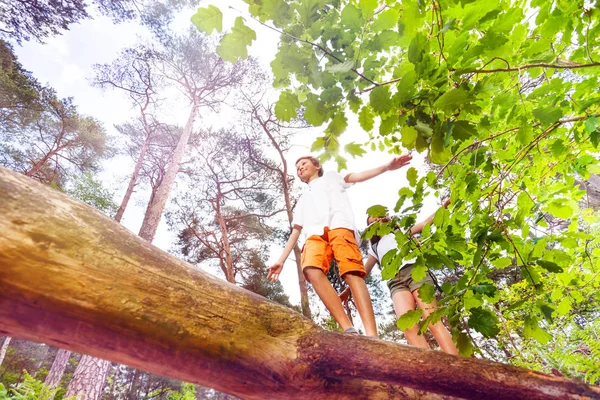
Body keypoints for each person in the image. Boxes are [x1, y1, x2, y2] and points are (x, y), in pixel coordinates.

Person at [267, 154, 412, 337]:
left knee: (351, 272)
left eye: (303, 163)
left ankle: (372, 334)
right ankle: (348, 328)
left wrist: (386, 167)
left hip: (339, 225)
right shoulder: (303, 199)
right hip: (314, 234)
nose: (300, 168)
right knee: (311, 269)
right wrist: (281, 260)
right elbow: (296, 231)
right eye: (297, 167)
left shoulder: (332, 177)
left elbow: (357, 176)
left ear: (317, 166)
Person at [341, 200, 458, 354]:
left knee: (431, 319)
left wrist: (443, 207)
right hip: (396, 282)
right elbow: (364, 272)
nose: (377, 223)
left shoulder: (401, 232)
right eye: (372, 223)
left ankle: (455, 360)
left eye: (378, 219)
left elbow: (424, 224)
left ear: (386, 219)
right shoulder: (374, 248)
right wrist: (348, 290)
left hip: (414, 271)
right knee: (407, 325)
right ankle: (431, 366)